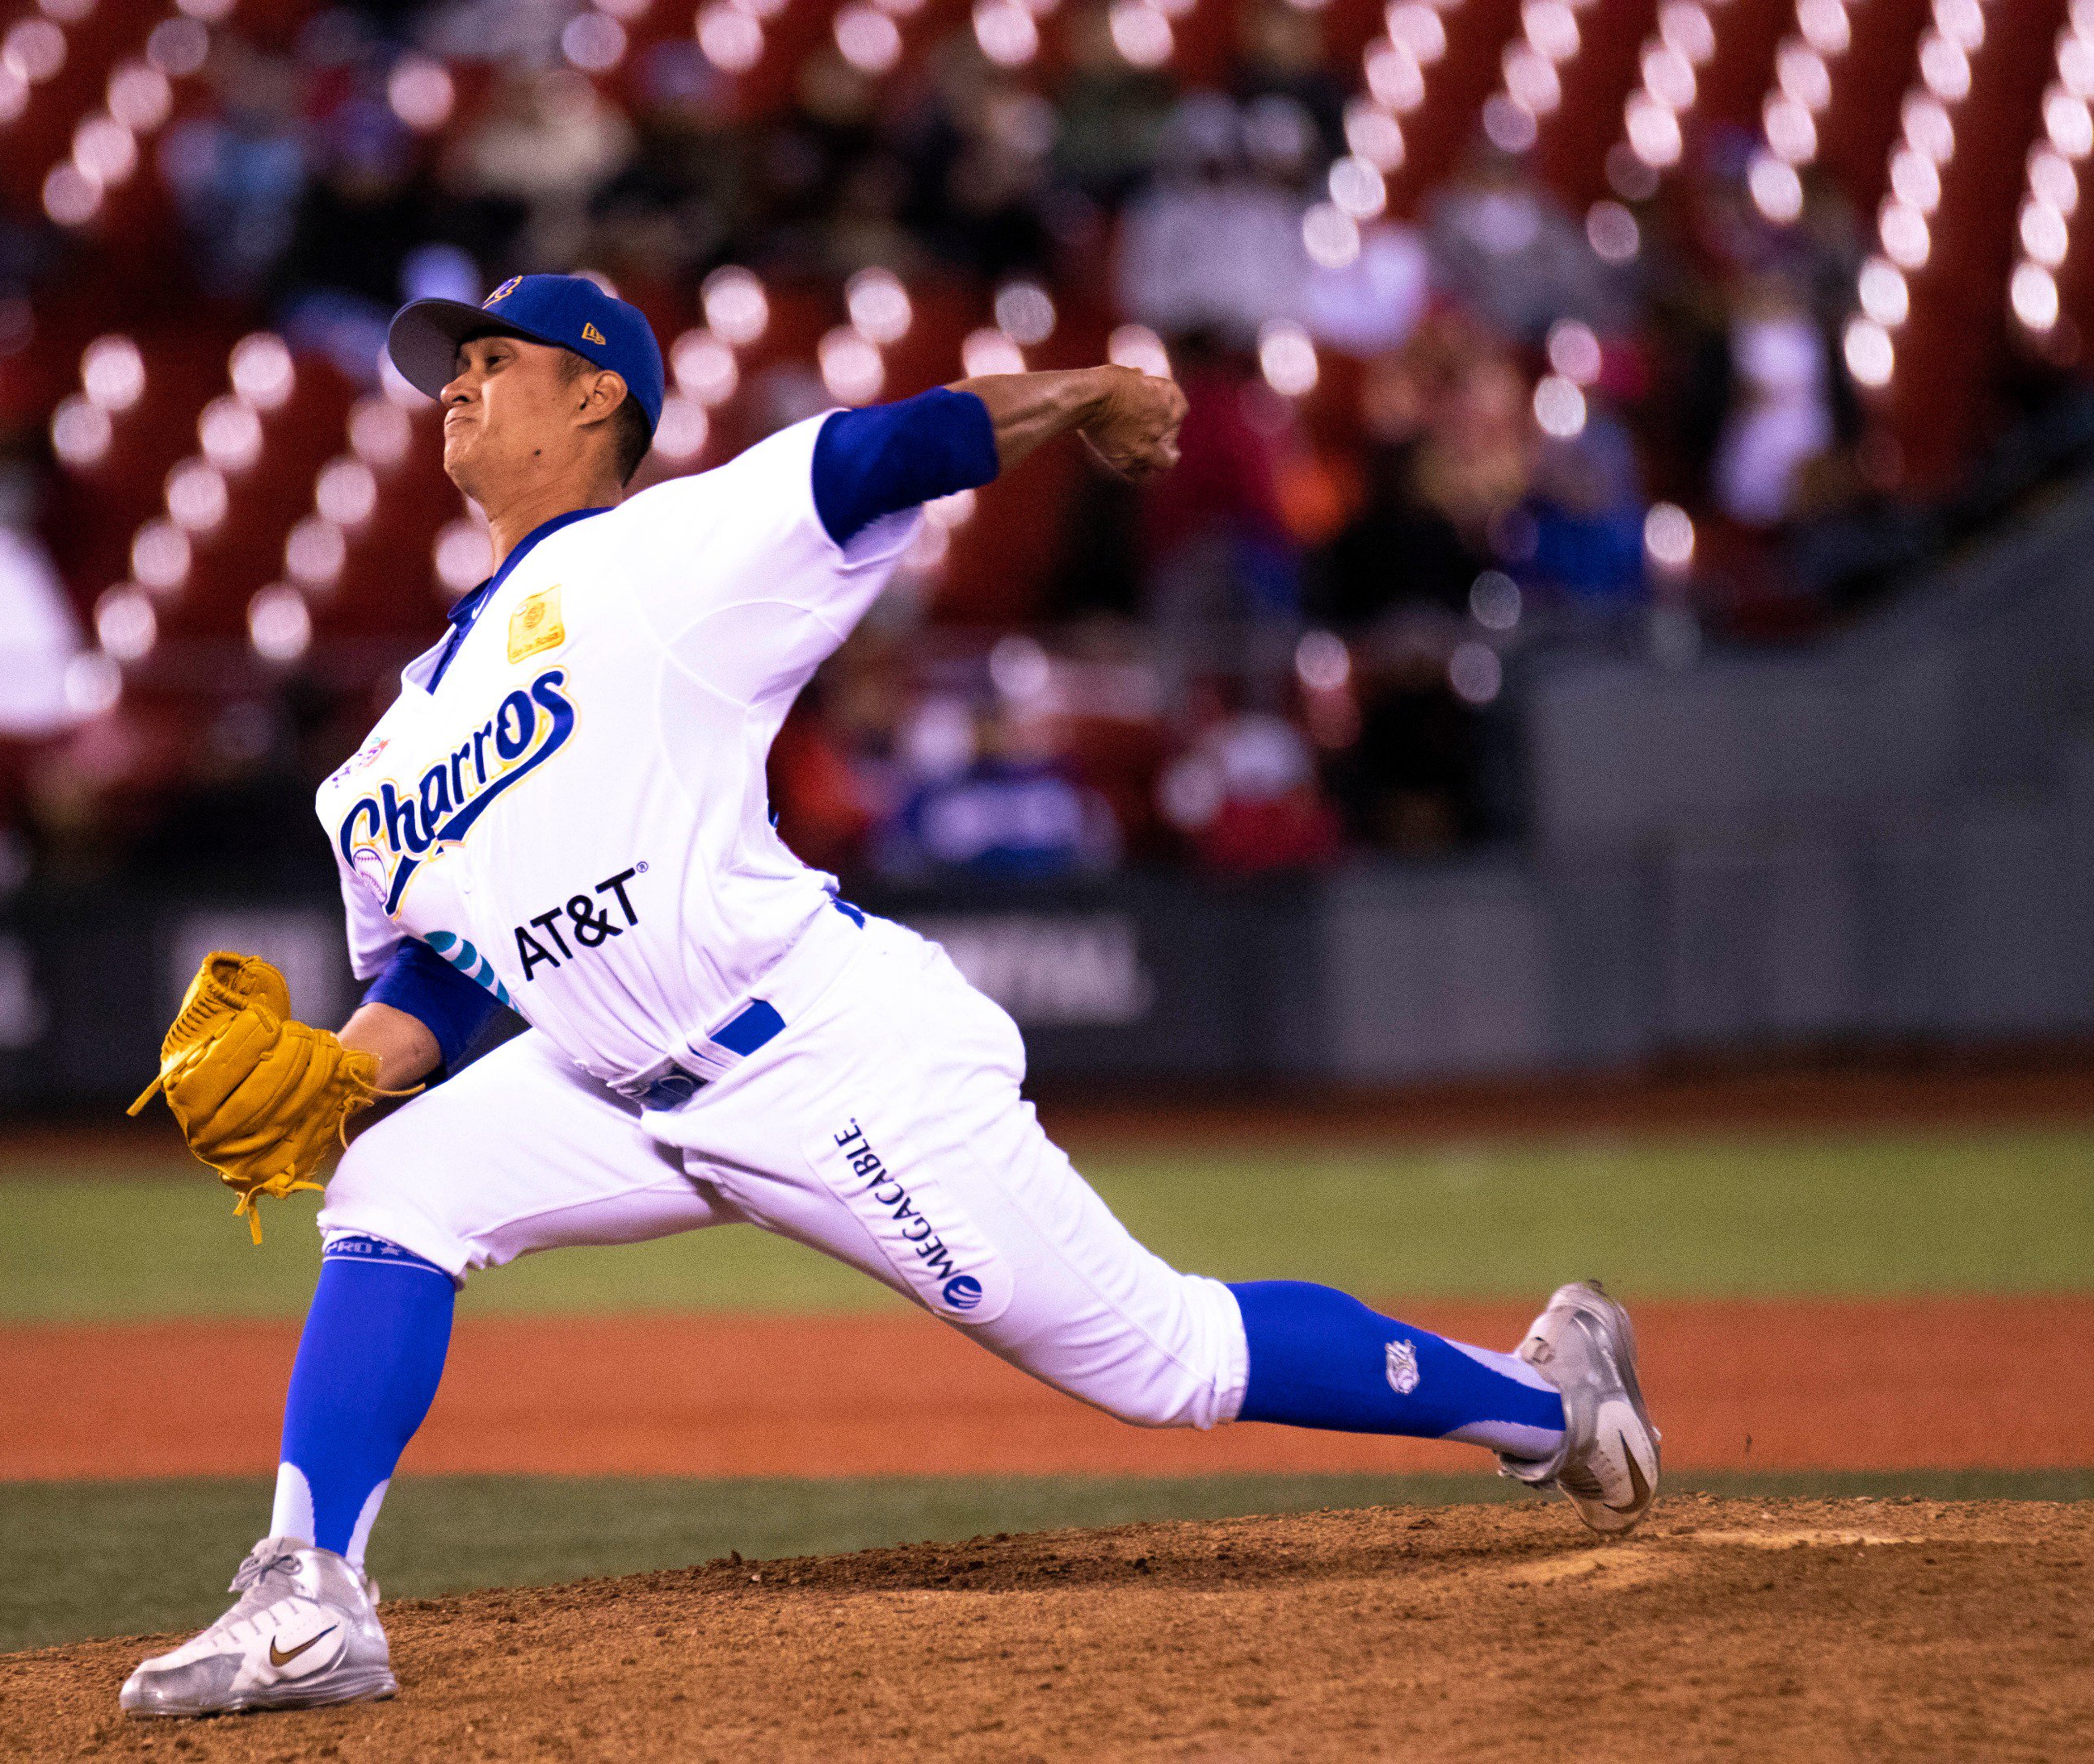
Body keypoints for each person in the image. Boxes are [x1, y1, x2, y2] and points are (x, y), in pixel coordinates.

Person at [120, 275, 1660, 1719]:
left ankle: (1547, 1403)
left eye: (490, 359)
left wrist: (1085, 392)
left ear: (597, 396)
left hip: (823, 1058)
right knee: (395, 1181)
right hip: (606, 1087)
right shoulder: (386, 752)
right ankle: (310, 1599)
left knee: (1163, 1360)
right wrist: (334, 1072)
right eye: (445, 369)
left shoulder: (666, 557)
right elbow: (445, 989)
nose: (453, 386)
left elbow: (883, 453)